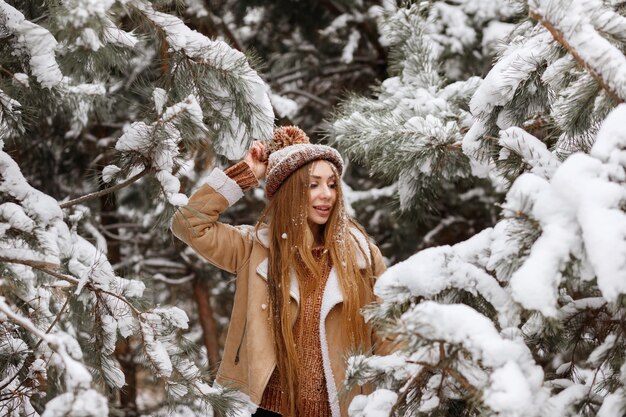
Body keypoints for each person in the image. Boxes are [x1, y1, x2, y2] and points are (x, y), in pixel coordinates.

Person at [171, 126, 386, 417]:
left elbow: (387, 332)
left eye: (332, 184)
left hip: (341, 409)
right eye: (313, 185)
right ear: (290, 192)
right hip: (266, 408)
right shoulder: (253, 249)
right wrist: (246, 173)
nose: (327, 195)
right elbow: (188, 223)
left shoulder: (362, 256)